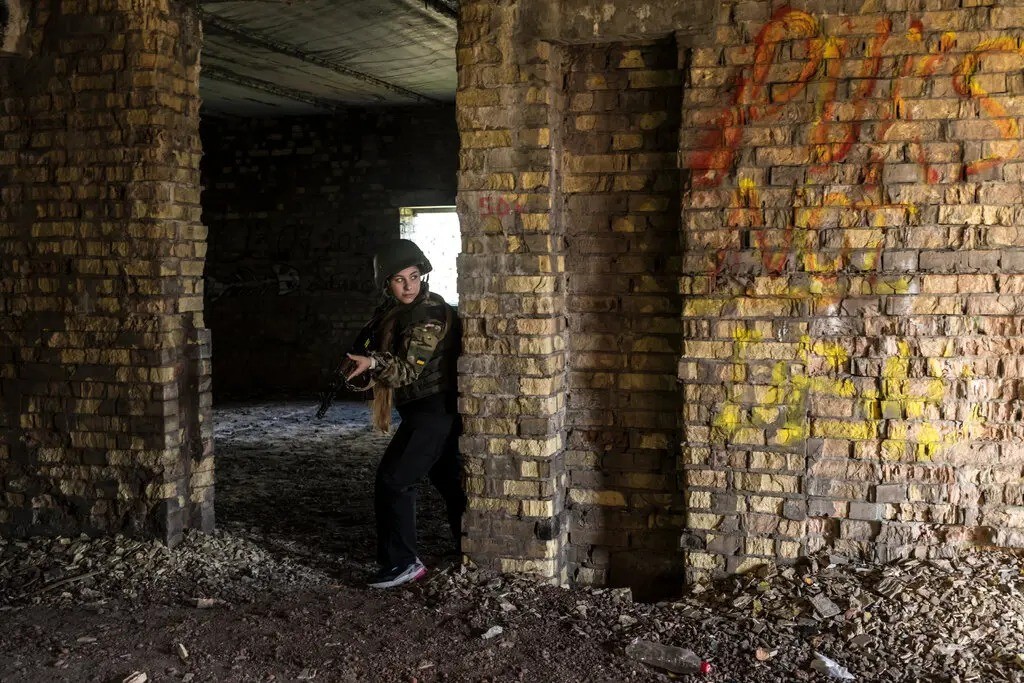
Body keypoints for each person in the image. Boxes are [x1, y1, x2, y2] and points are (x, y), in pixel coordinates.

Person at [344, 238, 466, 589]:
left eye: (413, 276)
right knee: (449, 481)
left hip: (434, 411)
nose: (409, 285)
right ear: (388, 284)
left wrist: (372, 362)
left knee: (394, 480)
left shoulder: (427, 315)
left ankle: (402, 564)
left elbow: (408, 371)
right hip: (426, 411)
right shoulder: (393, 314)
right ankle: (469, 547)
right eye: (400, 280)